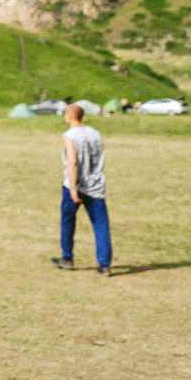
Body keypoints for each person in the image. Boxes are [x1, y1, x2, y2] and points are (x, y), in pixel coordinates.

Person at [53, 101, 111, 275]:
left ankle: (67, 257)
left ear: (69, 116)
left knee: (68, 220)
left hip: (76, 184)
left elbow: (73, 161)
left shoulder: (69, 136)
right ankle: (105, 264)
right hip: (96, 184)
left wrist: (72, 187)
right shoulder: (95, 133)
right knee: (100, 224)